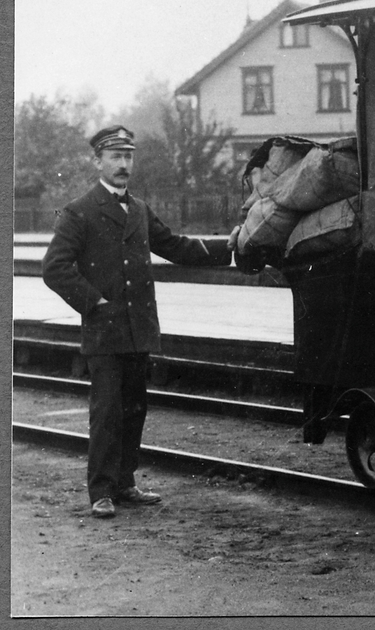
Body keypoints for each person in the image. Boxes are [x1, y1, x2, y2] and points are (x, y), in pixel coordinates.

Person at [42, 126, 237, 519]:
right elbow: (54, 267)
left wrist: (228, 247)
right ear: (98, 162)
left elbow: (175, 245)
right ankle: (101, 491)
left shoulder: (140, 210)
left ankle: (124, 483)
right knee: (107, 412)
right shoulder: (79, 211)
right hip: (104, 330)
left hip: (138, 329)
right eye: (115, 156)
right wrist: (94, 301)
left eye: (128, 156)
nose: (123, 164)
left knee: (134, 409)